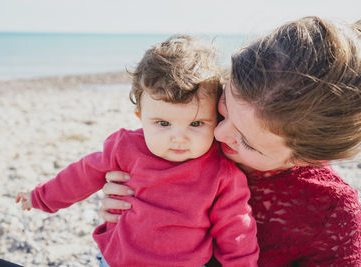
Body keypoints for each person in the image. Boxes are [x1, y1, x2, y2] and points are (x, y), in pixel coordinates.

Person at [99, 16, 361, 266]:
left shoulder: (334, 215)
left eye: (246, 141)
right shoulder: (195, 132)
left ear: (307, 158)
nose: (219, 135)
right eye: (222, 110)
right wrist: (127, 210)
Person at [13, 35, 259, 267]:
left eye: (196, 124)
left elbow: (236, 231)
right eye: (163, 124)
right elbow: (81, 175)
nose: (179, 138)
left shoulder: (222, 174)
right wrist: (40, 197)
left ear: (215, 119)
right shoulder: (126, 148)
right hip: (118, 260)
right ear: (141, 118)